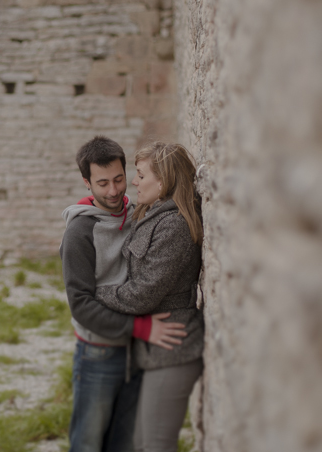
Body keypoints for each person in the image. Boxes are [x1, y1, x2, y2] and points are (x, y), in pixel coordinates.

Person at [61, 136, 188, 452]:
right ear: (87, 183)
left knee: (124, 443)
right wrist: (141, 327)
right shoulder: (79, 233)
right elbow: (81, 306)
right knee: (89, 443)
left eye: (119, 179)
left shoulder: (138, 213)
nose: (114, 190)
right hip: (98, 354)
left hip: (138, 353)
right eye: (102, 183)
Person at [95, 142, 204, 452]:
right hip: (152, 350)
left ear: (164, 180)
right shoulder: (153, 214)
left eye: (141, 175)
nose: (134, 182)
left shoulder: (174, 227)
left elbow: (140, 295)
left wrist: (95, 293)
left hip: (172, 350)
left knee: (157, 446)